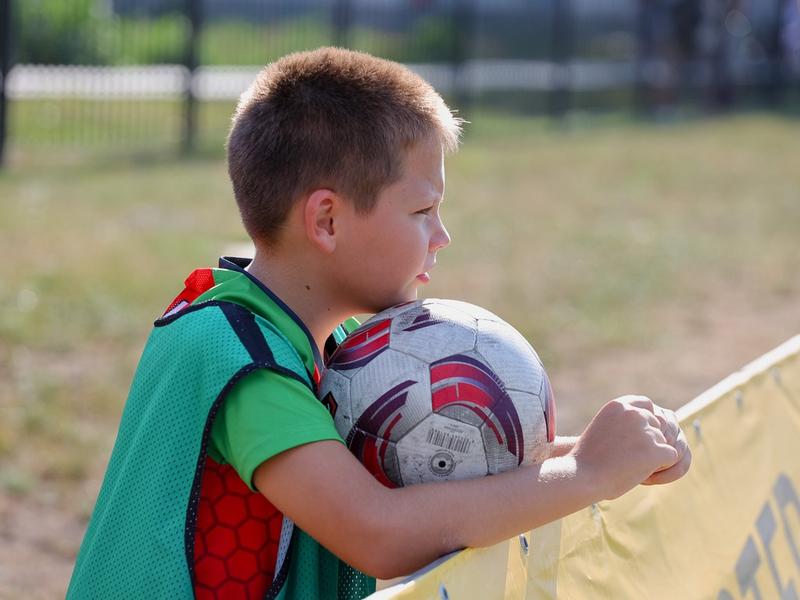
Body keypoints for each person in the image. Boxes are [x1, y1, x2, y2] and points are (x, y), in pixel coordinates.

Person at [67, 47, 692, 599]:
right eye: (423, 210)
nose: (442, 236)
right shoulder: (242, 360)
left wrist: (612, 452)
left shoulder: (328, 343)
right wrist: (585, 475)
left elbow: (437, 467)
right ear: (327, 221)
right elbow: (378, 531)